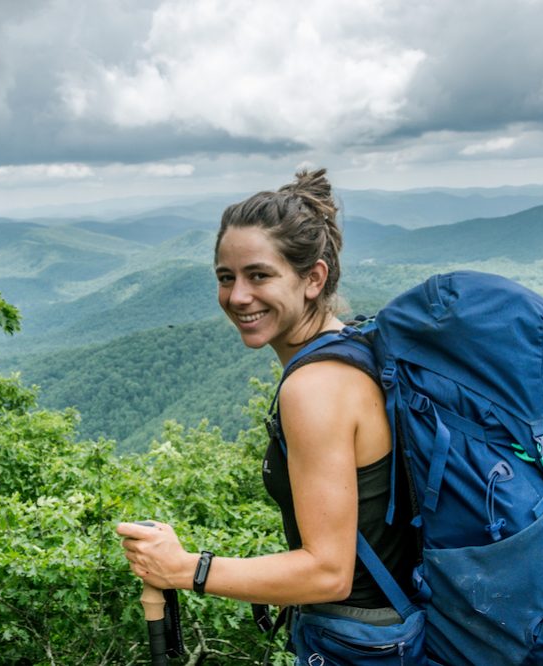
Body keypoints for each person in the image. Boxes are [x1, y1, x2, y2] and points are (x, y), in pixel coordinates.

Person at [116, 168, 420, 662]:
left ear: (313, 278)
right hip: (390, 627)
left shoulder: (314, 388)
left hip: (363, 646)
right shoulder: (355, 346)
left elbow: (328, 572)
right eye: (225, 277)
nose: (237, 296)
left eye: (259, 275)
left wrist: (184, 568)